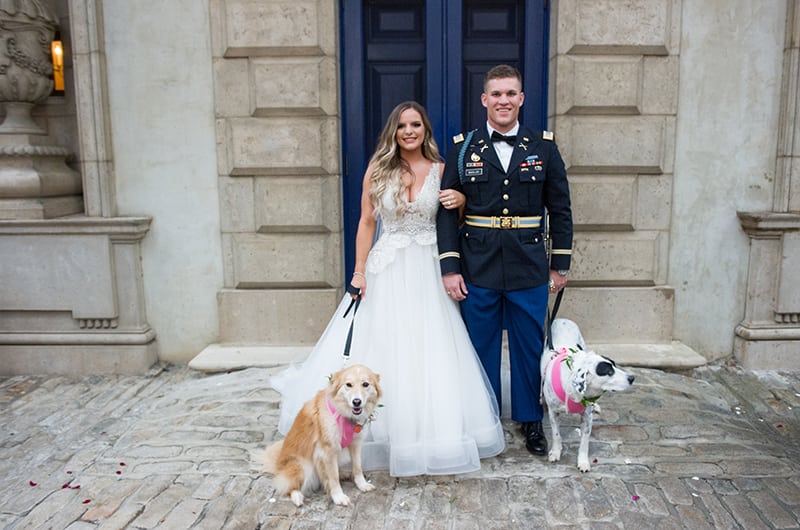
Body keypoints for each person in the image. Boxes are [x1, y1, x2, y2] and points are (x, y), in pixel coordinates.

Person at [270, 101, 505, 477]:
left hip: (430, 267)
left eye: (416, 125)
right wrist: (359, 271)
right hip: (389, 267)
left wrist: (461, 201)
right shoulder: (379, 169)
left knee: (432, 347)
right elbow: (366, 222)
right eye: (402, 126)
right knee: (386, 341)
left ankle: (431, 430)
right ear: (393, 132)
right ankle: (380, 431)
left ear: (426, 130)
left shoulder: (444, 170)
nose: (409, 131)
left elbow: (458, 218)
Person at [436, 64, 573, 456]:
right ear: (484, 99)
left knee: (530, 346)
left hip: (529, 264)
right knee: (481, 347)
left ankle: (531, 420)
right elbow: (445, 211)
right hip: (477, 264)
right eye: (496, 94)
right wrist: (450, 268)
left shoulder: (543, 146)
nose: (503, 101)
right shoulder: (463, 147)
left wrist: (559, 265)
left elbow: (560, 209)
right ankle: (486, 419)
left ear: (522, 98)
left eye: (511, 93)